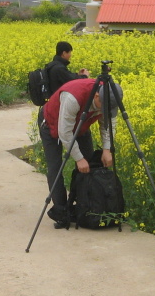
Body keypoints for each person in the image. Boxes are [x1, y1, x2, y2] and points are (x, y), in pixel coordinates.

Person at [40, 77, 121, 229]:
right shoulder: (73, 97)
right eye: (102, 107)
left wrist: (107, 148)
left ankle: (84, 207)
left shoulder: (108, 97)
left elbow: (108, 124)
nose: (103, 111)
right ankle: (61, 211)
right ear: (96, 96)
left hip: (81, 125)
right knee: (55, 168)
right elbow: (64, 132)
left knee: (88, 164)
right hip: (52, 124)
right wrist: (78, 158)